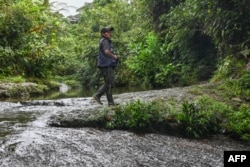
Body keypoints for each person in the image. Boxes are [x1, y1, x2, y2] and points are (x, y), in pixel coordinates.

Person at [92, 26, 119, 106]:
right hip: (106, 65)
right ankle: (97, 95)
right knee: (109, 83)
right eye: (108, 32)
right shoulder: (105, 41)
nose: (110, 33)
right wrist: (114, 56)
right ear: (103, 34)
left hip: (106, 65)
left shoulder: (105, 41)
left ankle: (111, 103)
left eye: (110, 32)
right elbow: (107, 52)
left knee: (110, 83)